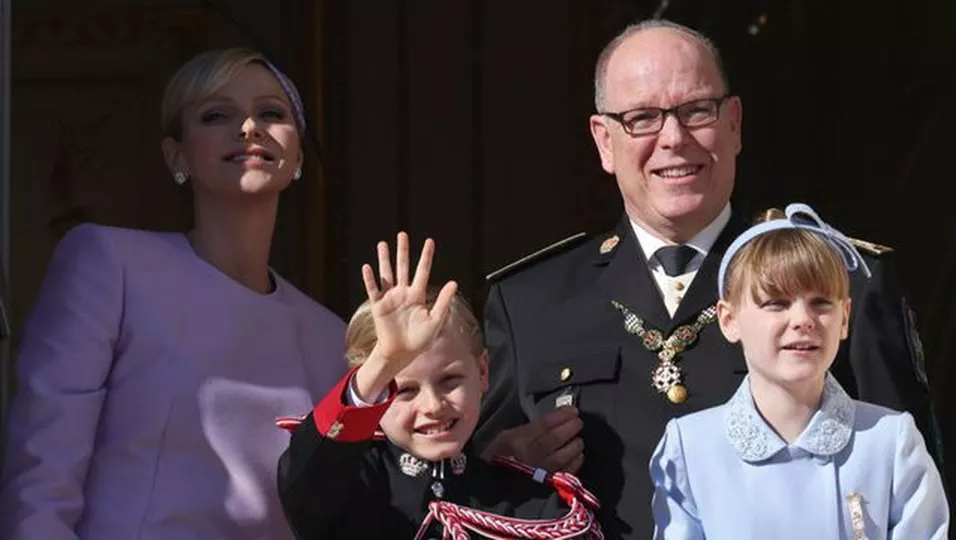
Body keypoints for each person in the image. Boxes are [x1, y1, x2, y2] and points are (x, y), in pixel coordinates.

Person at [473, 19, 941, 539]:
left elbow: (912, 492)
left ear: (735, 123)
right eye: (642, 118)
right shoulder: (530, 302)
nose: (673, 139)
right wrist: (495, 466)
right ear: (604, 142)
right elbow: (459, 506)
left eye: (697, 111)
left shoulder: (841, 281)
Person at [0, 48, 346, 539]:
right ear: (176, 154)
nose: (249, 127)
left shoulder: (329, 335)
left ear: (298, 158)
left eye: (271, 113)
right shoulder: (109, 263)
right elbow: (43, 468)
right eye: (216, 115)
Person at [276, 232, 603, 539]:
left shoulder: (530, 505)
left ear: (483, 372)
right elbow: (305, 484)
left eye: (450, 381)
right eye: (404, 390)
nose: (433, 406)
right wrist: (381, 363)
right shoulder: (355, 486)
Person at [650, 203, 948, 538]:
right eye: (776, 303)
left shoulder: (889, 442)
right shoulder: (692, 448)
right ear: (729, 320)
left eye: (821, 303)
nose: (803, 320)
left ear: (845, 318)